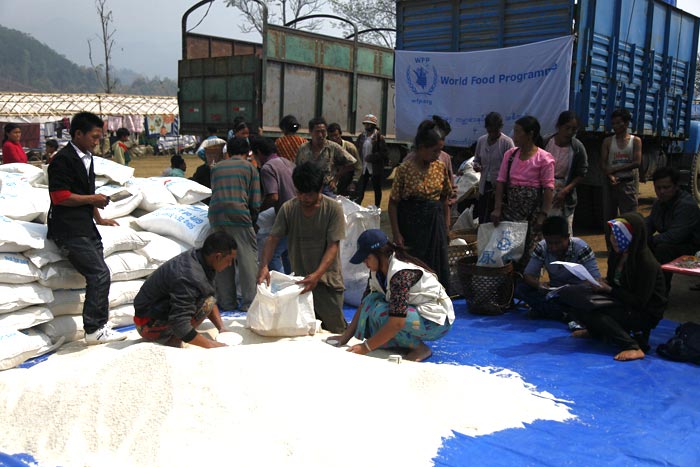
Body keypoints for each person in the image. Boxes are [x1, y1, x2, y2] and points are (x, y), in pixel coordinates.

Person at [47, 111, 125, 345]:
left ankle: (99, 323)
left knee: (99, 274)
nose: (97, 141)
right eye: (93, 136)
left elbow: (84, 192)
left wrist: (99, 217)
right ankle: (93, 329)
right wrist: (93, 199)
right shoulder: (62, 160)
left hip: (86, 226)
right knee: (99, 273)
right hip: (69, 229)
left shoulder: (87, 158)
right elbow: (59, 197)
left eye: (99, 137)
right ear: (78, 134)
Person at [329, 229, 454, 362]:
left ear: (379, 253)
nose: (365, 264)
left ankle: (420, 349)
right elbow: (365, 303)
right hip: (415, 314)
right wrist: (345, 337)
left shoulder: (401, 274)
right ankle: (399, 343)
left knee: (383, 314)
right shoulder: (376, 272)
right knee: (372, 301)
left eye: (367, 258)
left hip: (437, 322)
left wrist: (366, 347)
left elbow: (397, 322)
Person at [558, 212, 667, 361]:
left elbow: (640, 302)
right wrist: (599, 283)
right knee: (572, 298)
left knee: (597, 314)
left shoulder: (646, 263)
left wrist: (609, 290)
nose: (614, 240)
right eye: (612, 235)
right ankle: (595, 331)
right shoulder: (617, 255)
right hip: (621, 301)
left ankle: (632, 346)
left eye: (619, 236)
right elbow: (613, 281)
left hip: (643, 311)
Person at [257, 162, 347, 333]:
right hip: (299, 283)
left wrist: (317, 275)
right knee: (304, 332)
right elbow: (273, 238)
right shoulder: (289, 208)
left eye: (310, 194)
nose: (305, 198)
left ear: (320, 189)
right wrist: (264, 266)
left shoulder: (333, 209)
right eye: (300, 193)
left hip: (327, 282)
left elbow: (333, 246)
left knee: (335, 331)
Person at [133, 231, 237, 349]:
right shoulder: (188, 276)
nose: (229, 265)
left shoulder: (201, 259)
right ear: (217, 256)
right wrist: (212, 345)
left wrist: (222, 329)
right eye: (229, 260)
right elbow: (180, 324)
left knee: (209, 299)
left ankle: (174, 337)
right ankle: (172, 341)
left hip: (156, 311)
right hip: (147, 324)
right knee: (205, 304)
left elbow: (208, 295)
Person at [389, 121, 452, 290]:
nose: (438, 155)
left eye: (440, 150)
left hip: (434, 225)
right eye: (435, 151)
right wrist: (396, 233)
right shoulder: (404, 169)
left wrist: (446, 226)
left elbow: (445, 198)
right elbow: (393, 203)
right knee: (413, 266)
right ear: (422, 148)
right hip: (411, 227)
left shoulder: (440, 167)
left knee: (436, 268)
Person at [491, 115, 555, 270]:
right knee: (507, 252)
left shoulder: (544, 158)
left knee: (529, 254)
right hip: (510, 214)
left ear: (530, 134)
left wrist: (542, 215)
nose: (514, 136)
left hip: (531, 216)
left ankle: (526, 286)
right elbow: (501, 182)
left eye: (518, 132)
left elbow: (548, 189)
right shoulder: (510, 155)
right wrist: (498, 208)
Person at [209, 137, 262, 312]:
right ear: (248, 153)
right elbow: (255, 200)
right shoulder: (250, 168)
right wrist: (252, 222)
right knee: (247, 259)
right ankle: (249, 303)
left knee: (223, 258)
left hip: (216, 216)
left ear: (229, 152)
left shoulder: (216, 168)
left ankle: (226, 302)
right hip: (238, 215)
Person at [515, 216, 601, 322]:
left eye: (557, 243)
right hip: (554, 292)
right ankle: (565, 313)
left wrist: (572, 289)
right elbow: (528, 275)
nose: (553, 247)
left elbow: (596, 281)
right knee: (521, 288)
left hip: (577, 293)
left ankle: (552, 311)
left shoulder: (582, 248)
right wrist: (538, 285)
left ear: (567, 237)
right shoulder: (542, 247)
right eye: (550, 243)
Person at [644, 166, 700, 291]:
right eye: (658, 188)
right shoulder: (659, 203)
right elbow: (650, 223)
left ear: (676, 186)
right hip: (674, 242)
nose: (662, 191)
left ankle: (661, 292)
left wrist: (649, 240)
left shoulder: (686, 205)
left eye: (666, 187)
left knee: (663, 249)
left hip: (692, 247)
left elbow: (675, 235)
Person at [251, 136, 295, 273]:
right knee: (286, 253)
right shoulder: (287, 162)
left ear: (258, 152)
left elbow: (273, 196)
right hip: (298, 212)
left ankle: (280, 287)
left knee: (272, 254)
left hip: (287, 216)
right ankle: (291, 282)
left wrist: (257, 211)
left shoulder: (267, 168)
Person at [542, 111, 588, 232]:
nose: (569, 133)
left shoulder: (577, 147)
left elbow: (581, 173)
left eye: (573, 130)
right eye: (567, 128)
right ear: (559, 126)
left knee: (563, 230)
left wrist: (565, 191)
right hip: (544, 193)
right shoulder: (546, 142)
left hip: (564, 197)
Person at [296, 116, 356, 197]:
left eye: (323, 131)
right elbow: (297, 168)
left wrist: (335, 179)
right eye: (317, 132)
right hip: (307, 188)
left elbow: (351, 164)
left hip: (326, 188)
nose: (320, 135)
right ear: (310, 132)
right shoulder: (303, 148)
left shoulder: (333, 147)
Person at [473, 112, 515, 224]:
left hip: (500, 188)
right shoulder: (481, 141)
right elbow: (476, 159)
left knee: (496, 220)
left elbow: (512, 166)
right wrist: (477, 166)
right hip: (484, 185)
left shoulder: (507, 143)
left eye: (495, 131)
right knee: (483, 217)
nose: (492, 134)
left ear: (500, 128)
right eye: (489, 131)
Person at [600, 108, 642, 220]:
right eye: (613, 123)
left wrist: (614, 170)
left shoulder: (635, 141)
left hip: (628, 183)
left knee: (629, 217)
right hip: (610, 183)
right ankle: (610, 237)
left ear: (627, 123)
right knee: (609, 217)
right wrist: (610, 176)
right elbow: (603, 164)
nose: (615, 126)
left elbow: (637, 162)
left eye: (619, 123)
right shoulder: (608, 141)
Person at [354, 114, 389, 206]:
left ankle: (377, 207)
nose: (367, 126)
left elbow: (383, 153)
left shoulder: (379, 138)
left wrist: (372, 157)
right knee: (361, 188)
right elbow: (356, 149)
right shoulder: (361, 137)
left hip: (375, 168)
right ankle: (357, 206)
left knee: (377, 189)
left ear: (373, 125)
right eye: (365, 124)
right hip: (363, 167)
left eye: (369, 124)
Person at [327, 122, 361, 197]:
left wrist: (354, 182)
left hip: (347, 180)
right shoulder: (326, 148)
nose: (334, 139)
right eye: (331, 136)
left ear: (340, 134)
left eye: (336, 135)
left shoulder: (350, 148)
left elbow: (358, 167)